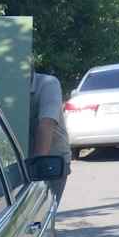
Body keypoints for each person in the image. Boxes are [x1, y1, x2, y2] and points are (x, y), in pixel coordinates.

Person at [29, 57, 71, 202]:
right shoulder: (8, 88)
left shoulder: (48, 84)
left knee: (42, 214)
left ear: (32, 68)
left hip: (52, 163)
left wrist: (35, 170)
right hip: (24, 165)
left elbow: (46, 124)